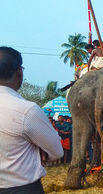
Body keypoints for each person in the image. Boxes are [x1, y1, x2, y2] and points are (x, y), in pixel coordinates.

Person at [0, 47, 63, 192]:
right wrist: (37, 150)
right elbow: (57, 151)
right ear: (19, 73)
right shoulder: (27, 110)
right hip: (22, 188)